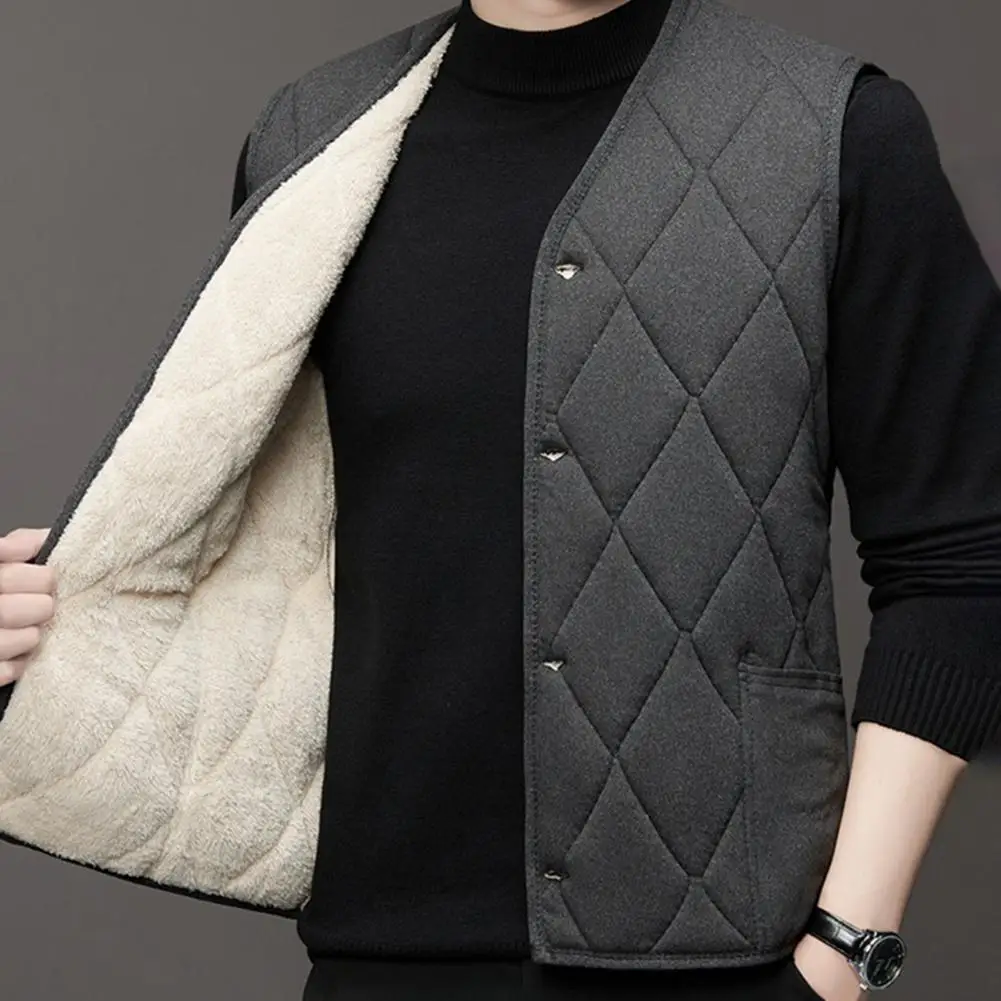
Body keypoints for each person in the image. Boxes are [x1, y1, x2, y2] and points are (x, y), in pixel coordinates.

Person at [2, 0, 1000, 998]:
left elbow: (960, 559)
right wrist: (72, 601)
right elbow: (282, 532)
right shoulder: (316, 135)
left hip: (724, 959)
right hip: (380, 952)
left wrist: (843, 949)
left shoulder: (833, 130)